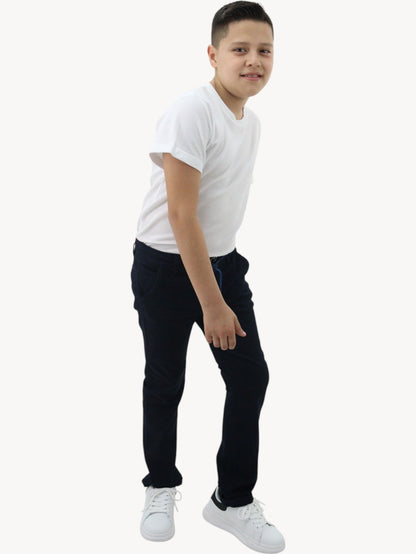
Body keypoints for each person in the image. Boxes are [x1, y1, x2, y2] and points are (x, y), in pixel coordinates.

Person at [130, 2, 285, 552]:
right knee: (165, 379)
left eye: (264, 50)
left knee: (250, 378)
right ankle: (160, 484)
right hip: (165, 266)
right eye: (240, 49)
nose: (253, 61)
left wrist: (223, 288)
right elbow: (181, 214)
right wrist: (214, 303)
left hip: (223, 262)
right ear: (214, 55)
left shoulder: (251, 121)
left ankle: (231, 501)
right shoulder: (190, 112)